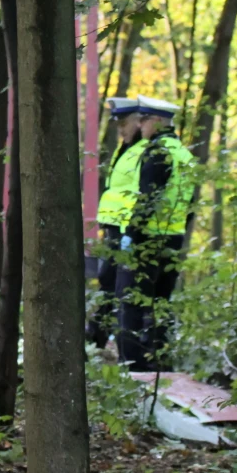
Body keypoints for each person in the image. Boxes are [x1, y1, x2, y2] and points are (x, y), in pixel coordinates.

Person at [115, 96, 195, 371]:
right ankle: (160, 359)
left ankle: (133, 365)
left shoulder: (157, 152)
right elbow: (190, 204)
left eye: (144, 120)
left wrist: (131, 234)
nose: (140, 125)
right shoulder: (183, 154)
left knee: (132, 301)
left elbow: (147, 198)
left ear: (158, 121)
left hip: (147, 238)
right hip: (173, 238)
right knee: (161, 301)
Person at [87, 97, 146, 347]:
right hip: (114, 228)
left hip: (127, 230)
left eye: (124, 124)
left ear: (138, 122)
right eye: (118, 124)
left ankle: (104, 338)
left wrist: (129, 231)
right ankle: (96, 336)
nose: (121, 129)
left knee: (118, 285)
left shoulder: (143, 150)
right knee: (107, 281)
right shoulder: (126, 149)